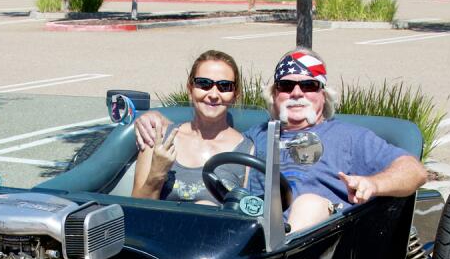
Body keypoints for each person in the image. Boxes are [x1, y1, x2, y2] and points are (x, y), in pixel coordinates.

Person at [135, 48, 428, 232]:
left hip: (316, 245)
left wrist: (373, 184)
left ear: (322, 95)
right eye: (286, 86)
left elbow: (414, 170)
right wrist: (153, 117)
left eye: (309, 85)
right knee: (205, 207)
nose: (297, 93)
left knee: (309, 203)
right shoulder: (254, 137)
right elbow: (208, 124)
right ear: (274, 96)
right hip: (253, 232)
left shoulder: (349, 136)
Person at [131, 49, 255, 206]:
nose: (214, 94)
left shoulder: (248, 151)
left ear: (235, 94)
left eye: (224, 86)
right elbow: (135, 209)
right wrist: (157, 173)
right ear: (190, 89)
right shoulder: (158, 137)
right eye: (204, 84)